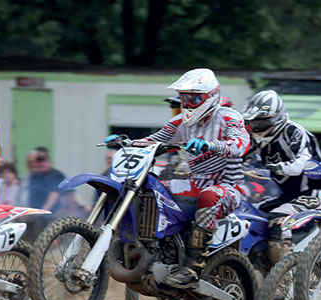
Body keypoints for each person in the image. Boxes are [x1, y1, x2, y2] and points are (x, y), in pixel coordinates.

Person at [106, 68, 250, 288]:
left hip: (228, 188)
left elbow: (240, 144)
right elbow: (153, 141)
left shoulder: (230, 117)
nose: (188, 103)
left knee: (209, 196)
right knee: (151, 189)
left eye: (194, 97)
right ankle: (157, 249)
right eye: (184, 97)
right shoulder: (182, 122)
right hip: (193, 184)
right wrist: (126, 142)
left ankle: (193, 267)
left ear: (211, 96)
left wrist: (212, 145)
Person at [242, 89, 321, 263]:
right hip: (287, 196)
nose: (256, 128)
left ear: (276, 118)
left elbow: (301, 164)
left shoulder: (293, 131)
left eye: (261, 123)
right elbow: (238, 157)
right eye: (253, 123)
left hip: (312, 195)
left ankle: (283, 272)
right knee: (251, 213)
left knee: (277, 219)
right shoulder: (257, 138)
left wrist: (272, 168)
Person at [25, 147, 66, 212]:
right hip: (35, 213)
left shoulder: (56, 175)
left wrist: (43, 210)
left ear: (49, 162)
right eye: (39, 162)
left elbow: (54, 194)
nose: (41, 164)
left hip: (52, 213)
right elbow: (31, 196)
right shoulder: (35, 176)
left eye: (43, 161)